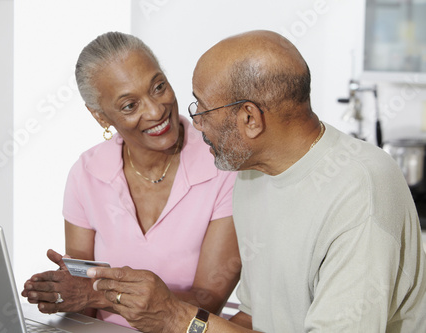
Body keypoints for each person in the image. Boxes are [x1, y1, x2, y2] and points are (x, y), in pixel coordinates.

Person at [89, 30, 426, 333]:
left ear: (249, 118)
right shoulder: (251, 174)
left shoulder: (361, 189)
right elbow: (254, 318)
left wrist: (179, 319)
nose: (196, 124)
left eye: (202, 109)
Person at [20, 31, 240, 328]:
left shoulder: (224, 166)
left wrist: (99, 296)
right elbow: (81, 295)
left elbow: (208, 299)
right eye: (129, 106)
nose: (156, 110)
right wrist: (61, 293)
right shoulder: (87, 172)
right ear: (101, 117)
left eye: (158, 87)